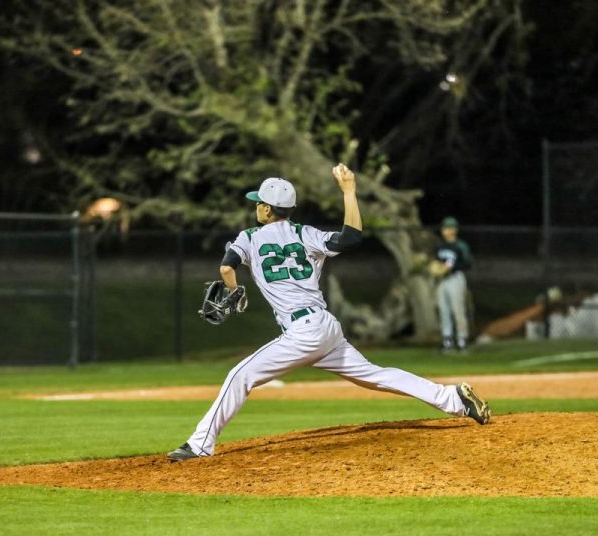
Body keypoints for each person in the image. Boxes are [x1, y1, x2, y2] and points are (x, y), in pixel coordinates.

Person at [167, 166, 491, 461]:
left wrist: (234, 289)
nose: (256, 207)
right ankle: (452, 399)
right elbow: (351, 237)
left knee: (240, 376)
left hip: (302, 332)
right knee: (375, 375)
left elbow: (226, 266)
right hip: (326, 327)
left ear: (267, 208)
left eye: (258, 203)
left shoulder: (249, 237)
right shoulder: (306, 234)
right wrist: (349, 191)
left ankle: (199, 444)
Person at [430, 217, 472, 353]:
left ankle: (462, 339)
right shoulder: (441, 247)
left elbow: (467, 263)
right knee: (444, 311)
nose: (446, 231)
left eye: (449, 228)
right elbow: (436, 262)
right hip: (442, 281)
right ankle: (447, 340)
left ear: (455, 230)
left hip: (456, 279)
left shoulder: (460, 246)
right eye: (444, 228)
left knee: (458, 310)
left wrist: (451, 268)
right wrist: (437, 268)